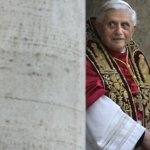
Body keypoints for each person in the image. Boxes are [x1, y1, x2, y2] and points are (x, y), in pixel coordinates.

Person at [86, 0, 150, 149]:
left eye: (125, 25)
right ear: (99, 26)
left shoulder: (138, 61)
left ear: (133, 29)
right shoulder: (86, 61)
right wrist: (140, 137)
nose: (119, 31)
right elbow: (92, 103)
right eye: (112, 24)